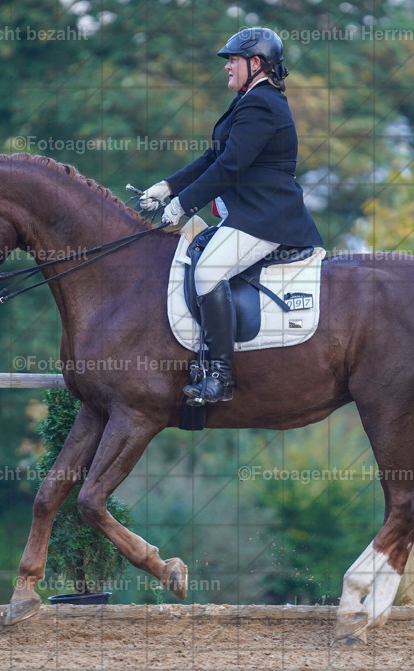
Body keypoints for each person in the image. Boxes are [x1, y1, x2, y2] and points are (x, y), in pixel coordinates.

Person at [141, 27, 324, 405]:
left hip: (265, 218)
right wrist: (167, 187)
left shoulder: (262, 104)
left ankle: (219, 376)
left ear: (255, 63)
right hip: (249, 213)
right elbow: (213, 158)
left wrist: (184, 205)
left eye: (233, 61)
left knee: (208, 272)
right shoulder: (249, 101)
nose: (227, 68)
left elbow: (231, 167)